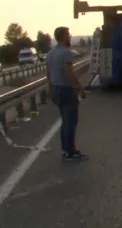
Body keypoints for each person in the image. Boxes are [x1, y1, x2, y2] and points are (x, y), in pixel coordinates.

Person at [46, 26, 88, 162]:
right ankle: (70, 152)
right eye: (68, 35)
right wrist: (80, 88)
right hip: (66, 89)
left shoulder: (51, 53)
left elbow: (49, 73)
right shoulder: (66, 53)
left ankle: (65, 150)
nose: (70, 37)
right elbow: (69, 73)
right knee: (71, 122)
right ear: (64, 36)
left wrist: (50, 89)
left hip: (56, 88)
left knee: (65, 121)